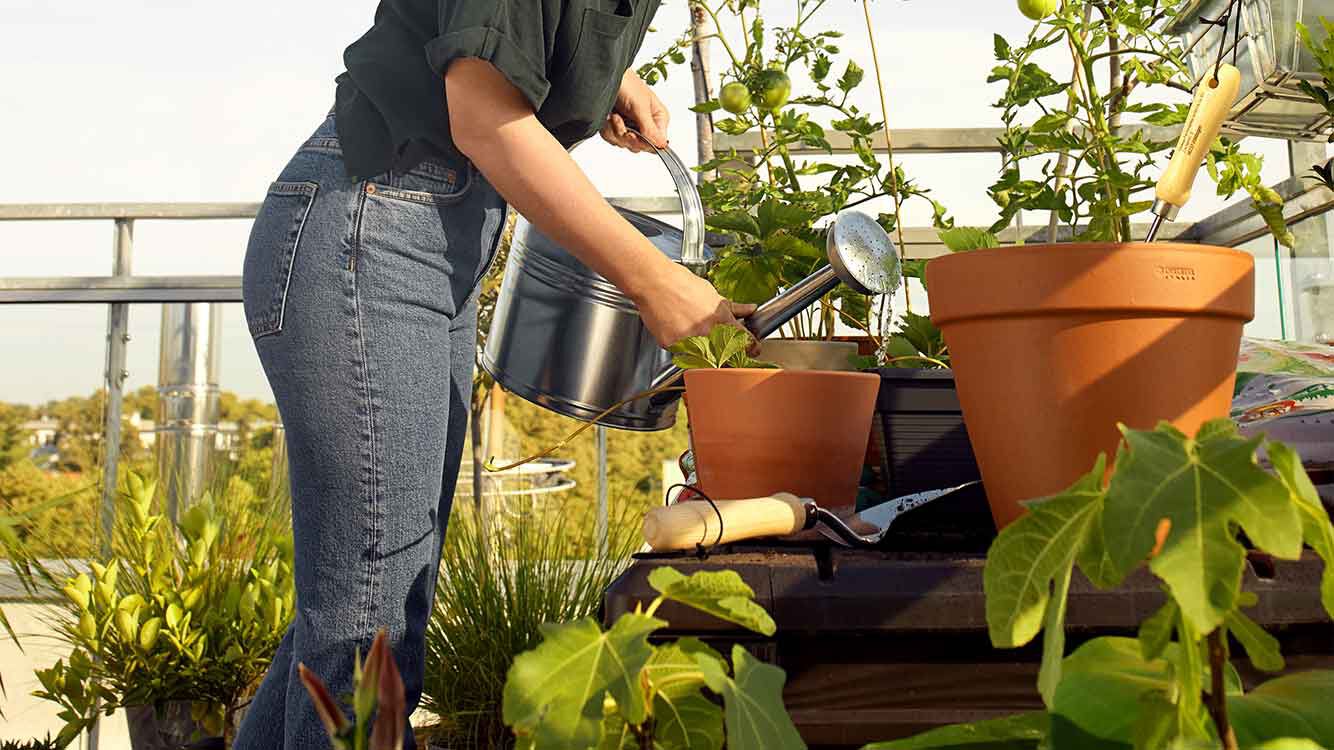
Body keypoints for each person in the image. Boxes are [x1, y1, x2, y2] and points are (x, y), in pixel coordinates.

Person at [232, 1, 754, 748]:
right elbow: (483, 116)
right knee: (366, 636)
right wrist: (655, 282)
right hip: (371, 232)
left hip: (429, 234)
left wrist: (610, 74)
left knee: (355, 616)